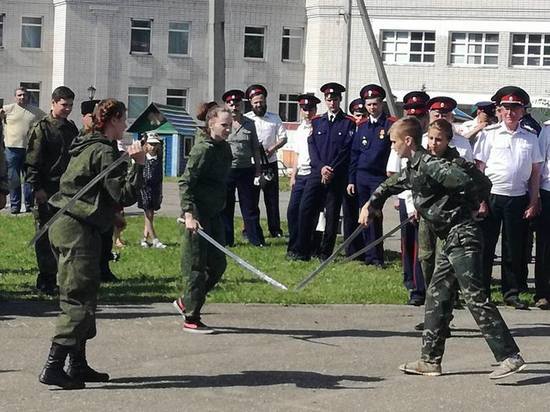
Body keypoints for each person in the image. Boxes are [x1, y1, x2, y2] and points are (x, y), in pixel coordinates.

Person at [359, 116, 525, 380]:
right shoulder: (416, 166)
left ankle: (509, 356)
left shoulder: (432, 165)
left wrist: (464, 204)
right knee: (437, 295)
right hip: (449, 239)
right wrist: (371, 204)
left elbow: (475, 183)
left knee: (475, 297)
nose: (392, 147)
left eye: (394, 142)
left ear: (407, 141)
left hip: (463, 235)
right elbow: (392, 183)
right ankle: (430, 361)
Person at [39, 98, 146, 390]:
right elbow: (123, 194)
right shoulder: (102, 151)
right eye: (124, 119)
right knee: (78, 298)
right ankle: (53, 366)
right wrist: (139, 165)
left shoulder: (87, 143)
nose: (126, 125)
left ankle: (78, 365)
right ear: (113, 120)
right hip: (77, 228)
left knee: (84, 294)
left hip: (70, 225)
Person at [474, 86, 542, 309]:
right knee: (486, 246)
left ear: (523, 111)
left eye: (516, 108)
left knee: (514, 248)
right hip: (492, 197)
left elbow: (535, 173)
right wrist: (481, 200)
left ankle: (511, 292)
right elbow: (479, 169)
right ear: (500, 111)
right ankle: (482, 292)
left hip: (518, 198)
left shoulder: (531, 138)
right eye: (507, 108)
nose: (511, 113)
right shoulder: (489, 134)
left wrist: (533, 201)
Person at [173, 107, 233, 334]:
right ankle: (191, 316)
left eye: (230, 125)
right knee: (195, 267)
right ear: (211, 125)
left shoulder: (224, 148)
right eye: (223, 125)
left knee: (218, 265)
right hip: (196, 217)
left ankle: (186, 301)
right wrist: (189, 214)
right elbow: (185, 182)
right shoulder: (202, 150)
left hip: (215, 214)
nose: (228, 129)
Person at [25, 86, 79, 295]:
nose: (67, 109)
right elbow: (32, 161)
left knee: (65, 236)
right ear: (53, 103)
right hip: (47, 188)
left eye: (70, 105)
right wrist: (36, 188)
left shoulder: (71, 128)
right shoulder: (42, 128)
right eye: (64, 105)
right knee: (45, 235)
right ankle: (46, 278)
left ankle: (63, 276)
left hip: (67, 190)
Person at [293, 82, 355, 261]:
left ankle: (325, 252)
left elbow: (346, 150)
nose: (332, 103)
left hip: (336, 175)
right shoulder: (317, 121)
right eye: (329, 99)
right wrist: (321, 168)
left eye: (335, 99)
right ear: (325, 101)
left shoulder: (348, 122)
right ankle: (302, 250)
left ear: (340, 100)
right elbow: (312, 146)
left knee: (332, 215)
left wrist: (330, 169)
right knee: (306, 209)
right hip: (316, 173)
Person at [387, 90, 430, 306]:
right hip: (408, 202)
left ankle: (424, 288)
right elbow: (393, 175)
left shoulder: (430, 148)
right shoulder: (400, 142)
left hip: (428, 210)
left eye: (420, 116)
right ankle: (413, 285)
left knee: (426, 250)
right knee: (409, 245)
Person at [347, 84, 394, 267]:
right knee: (364, 216)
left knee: (375, 214)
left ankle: (377, 257)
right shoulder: (362, 126)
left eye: (375, 104)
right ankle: (368, 255)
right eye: (369, 105)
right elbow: (355, 154)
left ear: (381, 104)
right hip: (361, 177)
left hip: (378, 177)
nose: (372, 108)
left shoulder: (390, 124)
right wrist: (351, 180)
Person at [81, 99, 119, 282]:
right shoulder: (95, 145)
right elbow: (121, 192)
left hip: (103, 205)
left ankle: (103, 268)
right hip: (88, 207)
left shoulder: (107, 145)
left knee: (105, 239)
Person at [221, 89, 265, 247]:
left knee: (250, 206)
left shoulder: (249, 123)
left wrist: (258, 171)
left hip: (246, 169)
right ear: (226, 105)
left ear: (241, 105)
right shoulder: (223, 124)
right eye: (231, 104)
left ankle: (255, 239)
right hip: (228, 169)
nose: (234, 106)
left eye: (237, 104)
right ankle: (227, 240)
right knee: (226, 206)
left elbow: (255, 149)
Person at [245, 84, 287, 238]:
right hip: (251, 163)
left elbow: (283, 137)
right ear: (251, 103)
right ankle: (249, 229)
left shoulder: (274, 118)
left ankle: (275, 229)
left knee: (271, 198)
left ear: (265, 101)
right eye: (255, 102)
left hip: (270, 162)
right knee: (250, 199)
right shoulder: (246, 119)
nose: (258, 105)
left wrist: (273, 148)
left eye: (261, 101)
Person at [1, 87, 46, 214]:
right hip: (11, 149)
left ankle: (29, 205)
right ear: (15, 97)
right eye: (19, 95)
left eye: (24, 95)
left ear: (28, 96)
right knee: (13, 178)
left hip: (29, 149)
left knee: (29, 179)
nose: (22, 97)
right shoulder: (8, 109)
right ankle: (15, 205)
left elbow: (47, 119)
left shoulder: (35, 111)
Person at [286, 94, 321, 258]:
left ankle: (306, 248)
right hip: (301, 174)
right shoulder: (300, 129)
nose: (307, 113)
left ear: (315, 110)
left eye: (311, 109)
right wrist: (293, 174)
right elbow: (297, 154)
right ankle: (293, 246)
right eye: (304, 109)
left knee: (306, 213)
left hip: (313, 174)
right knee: (292, 211)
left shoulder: (319, 127)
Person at [341, 97, 368, 259]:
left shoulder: (368, 131)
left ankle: (365, 247)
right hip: (347, 178)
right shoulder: (348, 131)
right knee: (349, 214)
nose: (360, 119)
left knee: (364, 213)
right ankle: (351, 248)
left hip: (363, 177)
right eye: (357, 115)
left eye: (363, 115)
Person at [138, 132, 166, 249]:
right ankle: (155, 239)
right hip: (145, 189)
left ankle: (144, 238)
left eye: (155, 144)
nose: (153, 147)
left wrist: (160, 192)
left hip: (155, 189)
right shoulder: (143, 158)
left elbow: (160, 177)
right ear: (146, 145)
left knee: (151, 215)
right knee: (148, 214)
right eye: (151, 144)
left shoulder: (159, 159)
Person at [535, 121, 550, 310]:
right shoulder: (547, 130)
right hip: (548, 191)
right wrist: (535, 195)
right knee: (545, 246)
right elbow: (538, 164)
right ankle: (543, 293)